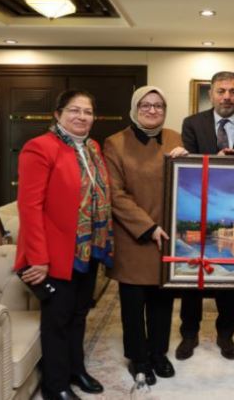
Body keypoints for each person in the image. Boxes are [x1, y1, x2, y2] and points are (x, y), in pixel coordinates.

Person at [14, 90, 112, 400]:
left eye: (88, 111)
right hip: (56, 251)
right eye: (74, 110)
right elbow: (29, 207)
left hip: (88, 248)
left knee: (79, 314)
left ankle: (75, 370)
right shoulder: (39, 147)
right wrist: (38, 258)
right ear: (57, 114)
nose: (82, 116)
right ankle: (55, 385)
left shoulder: (93, 147)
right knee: (57, 319)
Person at [103, 86, 189, 386]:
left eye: (159, 105)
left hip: (167, 236)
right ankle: (139, 358)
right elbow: (115, 194)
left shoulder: (175, 138)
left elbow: (184, 183)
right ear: (134, 108)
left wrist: (187, 161)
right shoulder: (115, 143)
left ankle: (158, 353)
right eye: (145, 105)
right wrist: (147, 227)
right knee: (133, 304)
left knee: (162, 302)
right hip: (134, 235)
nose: (153, 110)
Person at [176, 71, 234, 361]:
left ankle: (226, 335)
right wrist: (215, 161)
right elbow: (186, 168)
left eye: (233, 91)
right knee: (193, 280)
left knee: (230, 282)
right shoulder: (192, 123)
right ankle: (189, 334)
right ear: (211, 94)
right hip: (201, 205)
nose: (227, 97)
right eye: (221, 91)